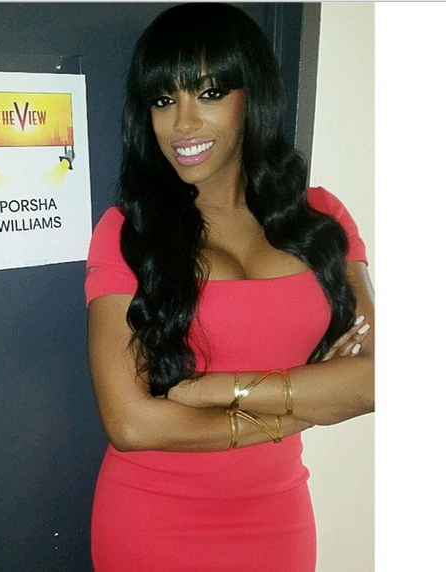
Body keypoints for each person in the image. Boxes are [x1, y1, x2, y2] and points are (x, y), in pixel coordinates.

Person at [84, 3, 374, 571]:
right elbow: (131, 423)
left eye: (210, 93)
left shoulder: (322, 220)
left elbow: (374, 379)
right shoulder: (128, 232)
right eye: (163, 100)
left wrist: (213, 389)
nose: (183, 124)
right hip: (152, 519)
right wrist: (303, 409)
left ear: (252, 97)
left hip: (277, 517)